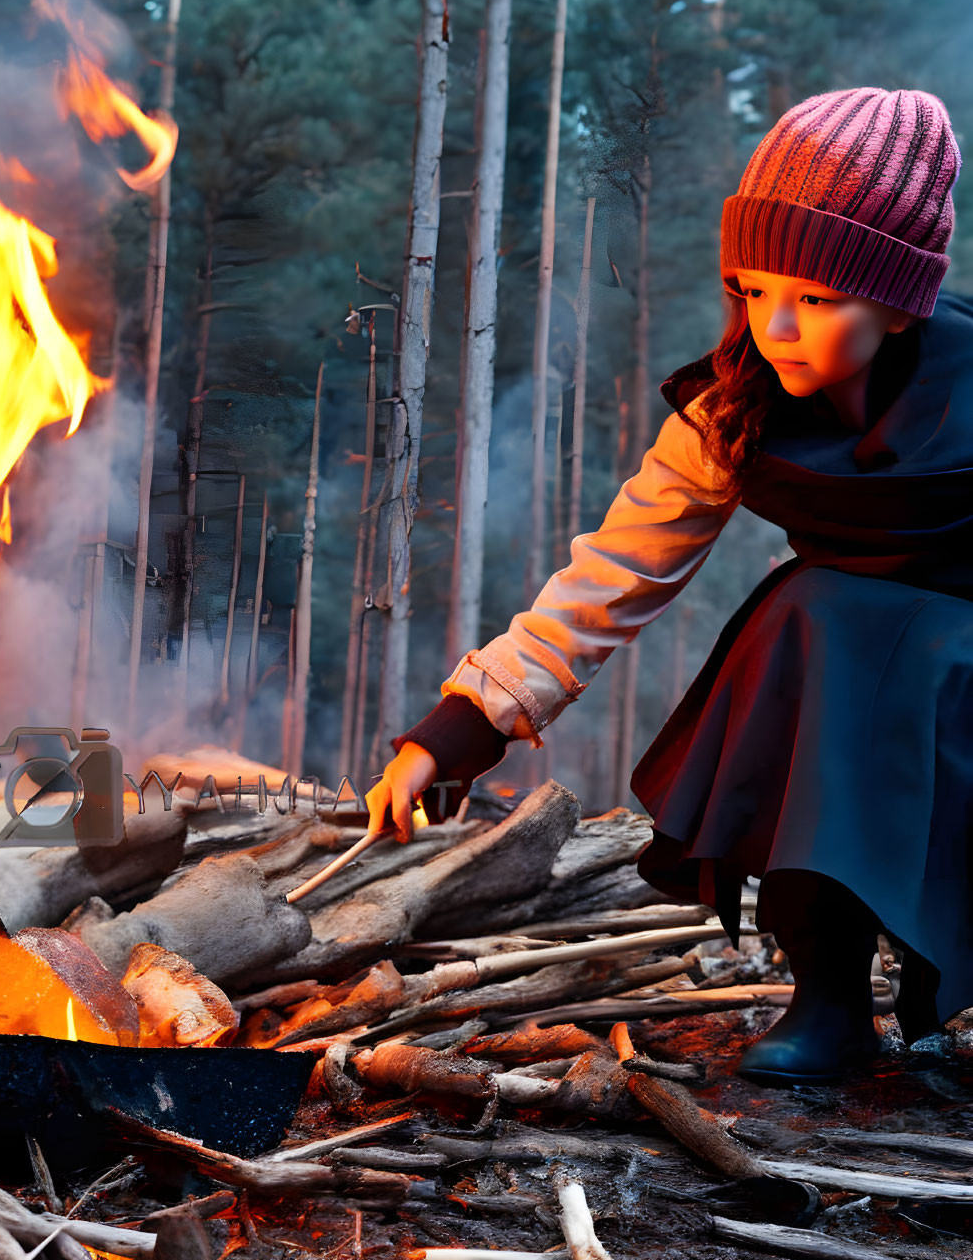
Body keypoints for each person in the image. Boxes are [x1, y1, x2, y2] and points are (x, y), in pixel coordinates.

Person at [365, 87, 973, 1088]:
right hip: (838, 660)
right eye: (752, 287)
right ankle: (826, 999)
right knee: (806, 615)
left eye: (818, 299)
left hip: (962, 666)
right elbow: (618, 563)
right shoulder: (735, 402)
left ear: (899, 302)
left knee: (903, 648)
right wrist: (460, 725)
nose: (775, 325)